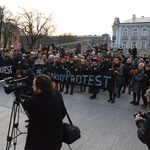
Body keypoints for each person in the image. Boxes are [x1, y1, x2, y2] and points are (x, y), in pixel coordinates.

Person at [23, 74, 66, 150]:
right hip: (56, 138)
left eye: (34, 85)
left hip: (40, 142)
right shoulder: (56, 93)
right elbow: (63, 112)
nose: (32, 87)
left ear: (40, 88)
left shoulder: (35, 100)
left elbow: (31, 115)